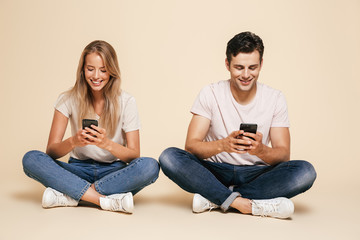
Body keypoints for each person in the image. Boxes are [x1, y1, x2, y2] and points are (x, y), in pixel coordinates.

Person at [159, 31, 316, 219]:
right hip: (215, 171)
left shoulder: (275, 98)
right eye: (239, 67)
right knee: (169, 157)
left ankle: (217, 198)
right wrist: (223, 145)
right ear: (227, 64)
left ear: (261, 65)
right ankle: (246, 204)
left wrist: (260, 150)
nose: (246, 75)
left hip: (258, 173)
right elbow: (191, 146)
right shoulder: (210, 93)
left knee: (305, 172)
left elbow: (283, 154)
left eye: (253, 67)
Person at [22, 40, 159, 213]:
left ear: (112, 71)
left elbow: (134, 154)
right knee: (31, 158)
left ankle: (72, 195)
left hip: (113, 172)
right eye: (90, 69)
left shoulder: (127, 101)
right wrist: (74, 141)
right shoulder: (67, 99)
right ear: (82, 70)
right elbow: (51, 151)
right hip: (77, 169)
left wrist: (106, 144)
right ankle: (102, 200)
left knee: (150, 166)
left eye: (103, 70)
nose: (96, 76)